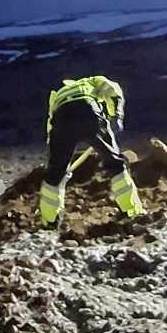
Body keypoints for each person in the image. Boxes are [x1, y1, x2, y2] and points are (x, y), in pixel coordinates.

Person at [40, 75, 142, 226]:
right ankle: (131, 210)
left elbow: (51, 125)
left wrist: (55, 156)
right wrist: (116, 117)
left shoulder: (56, 95)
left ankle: (49, 221)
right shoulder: (93, 81)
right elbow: (114, 92)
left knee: (55, 174)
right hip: (87, 108)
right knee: (114, 162)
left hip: (61, 116)